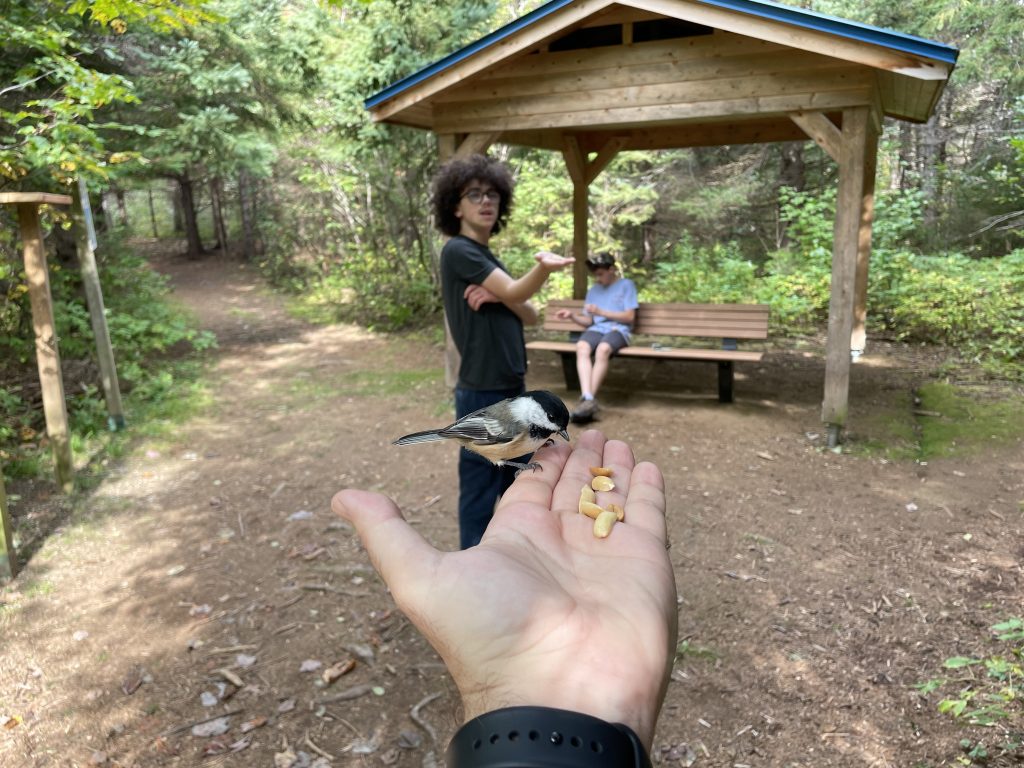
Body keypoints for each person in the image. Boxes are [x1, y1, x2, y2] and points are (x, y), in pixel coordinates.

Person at [332, 429, 678, 767]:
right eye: (552, 428)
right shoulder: (513, 426)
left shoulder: (532, 430)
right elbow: (489, 447)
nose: (556, 436)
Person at [431, 154, 574, 549]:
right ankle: (473, 562)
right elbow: (519, 293)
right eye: (473, 194)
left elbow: (528, 314)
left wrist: (497, 299)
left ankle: (517, 553)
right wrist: (542, 269)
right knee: (480, 487)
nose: (485, 201)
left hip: (511, 386)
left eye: (492, 193)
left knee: (518, 480)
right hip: (481, 388)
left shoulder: (487, 256)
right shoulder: (459, 251)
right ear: (454, 206)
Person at [554, 253, 638, 424]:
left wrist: (602, 312)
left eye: (600, 274)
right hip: (597, 329)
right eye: (595, 275)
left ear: (612, 270)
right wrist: (572, 316)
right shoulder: (594, 290)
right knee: (582, 346)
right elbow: (588, 321)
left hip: (618, 330)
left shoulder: (626, 285)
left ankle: (587, 402)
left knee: (603, 349)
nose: (598, 278)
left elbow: (630, 317)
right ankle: (588, 397)